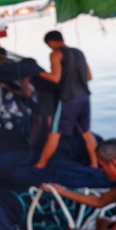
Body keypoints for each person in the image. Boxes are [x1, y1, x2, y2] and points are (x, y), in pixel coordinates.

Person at [34, 30, 97, 169]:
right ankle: (94, 163)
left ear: (51, 42)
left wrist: (36, 71)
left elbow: (55, 78)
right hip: (84, 97)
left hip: (69, 98)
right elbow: (89, 76)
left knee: (55, 132)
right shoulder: (79, 52)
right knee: (86, 132)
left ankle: (40, 165)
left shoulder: (55, 53)